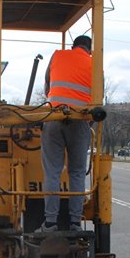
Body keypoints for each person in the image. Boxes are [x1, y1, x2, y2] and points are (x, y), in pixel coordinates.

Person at [38, 34, 93, 232]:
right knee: (77, 173)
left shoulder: (57, 56)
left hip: (54, 117)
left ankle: (50, 222)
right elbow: (97, 99)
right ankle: (74, 223)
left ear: (73, 46)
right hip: (80, 121)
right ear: (89, 49)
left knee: (52, 171)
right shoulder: (94, 64)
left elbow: (47, 87)